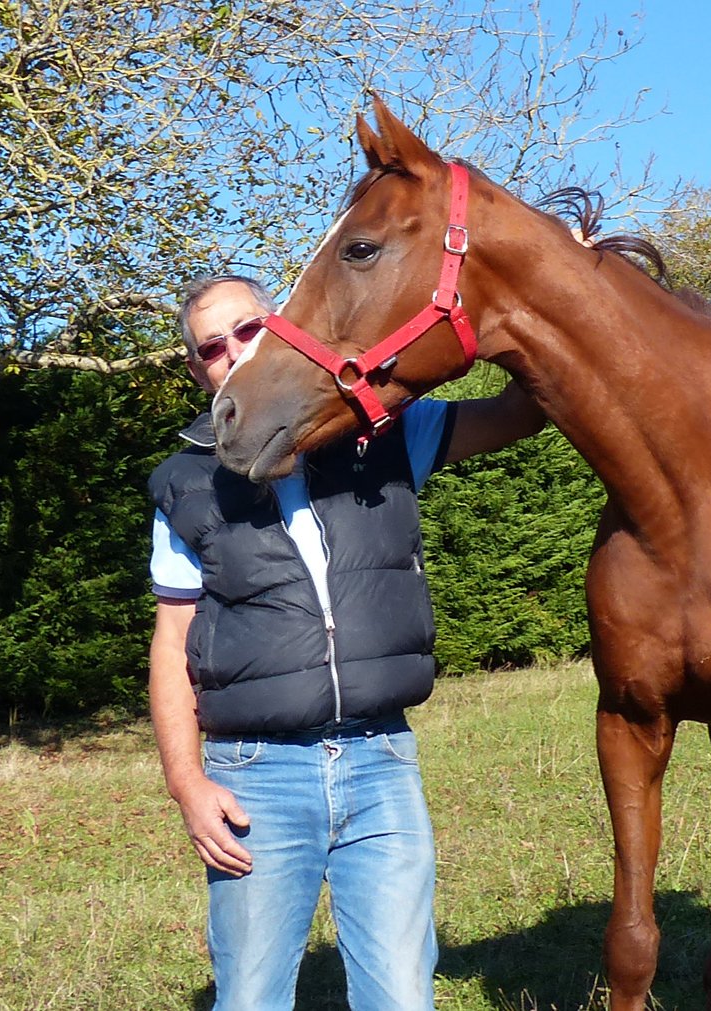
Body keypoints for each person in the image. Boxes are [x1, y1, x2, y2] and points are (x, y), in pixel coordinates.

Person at [146, 274, 544, 1010]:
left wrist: (532, 291)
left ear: (283, 329)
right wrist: (187, 783)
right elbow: (173, 643)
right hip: (257, 780)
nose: (234, 351)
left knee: (402, 998)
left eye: (248, 329)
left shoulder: (383, 437)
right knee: (251, 999)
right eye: (212, 347)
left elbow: (523, 411)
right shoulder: (183, 484)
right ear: (199, 370)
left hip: (380, 762)